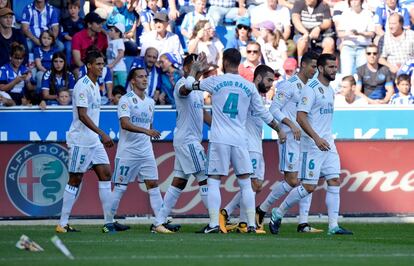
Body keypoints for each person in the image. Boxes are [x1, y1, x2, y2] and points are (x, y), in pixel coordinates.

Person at [184, 48, 285, 233]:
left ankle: (214, 224)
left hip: (219, 138)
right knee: (246, 182)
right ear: (239, 63)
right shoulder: (248, 86)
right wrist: (279, 129)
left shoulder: (215, 81)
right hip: (240, 140)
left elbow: (190, 85)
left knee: (213, 180)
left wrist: (194, 71)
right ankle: (251, 225)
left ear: (224, 61)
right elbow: (263, 112)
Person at [268, 53, 353, 236]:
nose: (334, 70)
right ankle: (278, 212)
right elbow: (300, 116)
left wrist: (324, 137)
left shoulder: (330, 90)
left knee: (334, 180)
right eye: (330, 67)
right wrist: (315, 137)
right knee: (308, 187)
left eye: (335, 66)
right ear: (321, 69)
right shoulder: (310, 89)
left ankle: (333, 226)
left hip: (328, 142)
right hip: (312, 144)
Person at [255, 51, 322, 234]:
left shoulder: (313, 87)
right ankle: (262, 209)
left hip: (306, 138)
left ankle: (303, 222)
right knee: (292, 180)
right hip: (291, 138)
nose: (315, 70)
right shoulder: (289, 85)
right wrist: (291, 124)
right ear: (304, 65)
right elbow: (274, 109)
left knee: (307, 179)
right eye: (313, 66)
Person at [218, 64, 287, 234]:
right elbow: (264, 116)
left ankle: (241, 222)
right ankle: (228, 213)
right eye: (269, 80)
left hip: (255, 143)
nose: (272, 84)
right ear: (258, 78)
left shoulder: (256, 95)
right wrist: (279, 129)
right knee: (253, 184)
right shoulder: (249, 94)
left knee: (254, 185)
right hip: (249, 145)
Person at [56, 50, 115, 233]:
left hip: (93, 141)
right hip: (80, 140)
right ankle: (62, 224)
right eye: (98, 64)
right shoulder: (82, 85)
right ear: (89, 65)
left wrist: (98, 136)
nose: (101, 67)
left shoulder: (95, 85)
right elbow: (82, 115)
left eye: (103, 64)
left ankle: (109, 222)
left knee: (105, 174)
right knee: (75, 179)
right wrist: (102, 133)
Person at [152, 54, 212, 233]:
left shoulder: (198, 89)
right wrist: (193, 71)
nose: (201, 69)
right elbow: (184, 90)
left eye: (201, 66)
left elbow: (202, 114)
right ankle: (216, 222)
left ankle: (159, 222)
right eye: (196, 66)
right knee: (204, 177)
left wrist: (219, 127)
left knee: (179, 181)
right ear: (187, 68)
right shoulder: (181, 83)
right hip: (188, 141)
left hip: (187, 140)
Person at [105, 67, 166, 233]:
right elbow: (125, 124)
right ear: (132, 80)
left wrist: (150, 132)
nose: (145, 79)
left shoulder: (151, 102)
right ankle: (108, 223)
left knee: (153, 184)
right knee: (120, 186)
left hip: (146, 150)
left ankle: (161, 222)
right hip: (128, 151)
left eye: (146, 76)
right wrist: (147, 131)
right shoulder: (125, 100)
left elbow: (149, 125)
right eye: (140, 77)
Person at [336, 0, 375, 76]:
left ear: (361, 1)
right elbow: (340, 33)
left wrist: (360, 33)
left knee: (362, 75)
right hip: (348, 46)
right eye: (351, 0)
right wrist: (348, 33)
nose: (354, 2)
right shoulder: (345, 13)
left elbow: (372, 33)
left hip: (363, 47)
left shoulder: (368, 14)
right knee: (346, 75)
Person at [60, 0, 85, 66]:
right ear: (68, 10)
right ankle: (68, 66)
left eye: (75, 8)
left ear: (79, 9)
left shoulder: (83, 22)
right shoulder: (65, 21)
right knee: (68, 48)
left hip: (80, 41)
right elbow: (64, 35)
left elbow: (84, 34)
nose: (72, 10)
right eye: (70, 8)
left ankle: (82, 65)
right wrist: (73, 39)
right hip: (69, 41)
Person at [107, 22, 127, 87]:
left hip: (120, 69)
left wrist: (112, 64)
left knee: (122, 89)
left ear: (118, 32)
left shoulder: (119, 41)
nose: (109, 32)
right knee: (115, 91)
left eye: (111, 30)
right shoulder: (110, 41)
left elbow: (121, 54)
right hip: (113, 69)